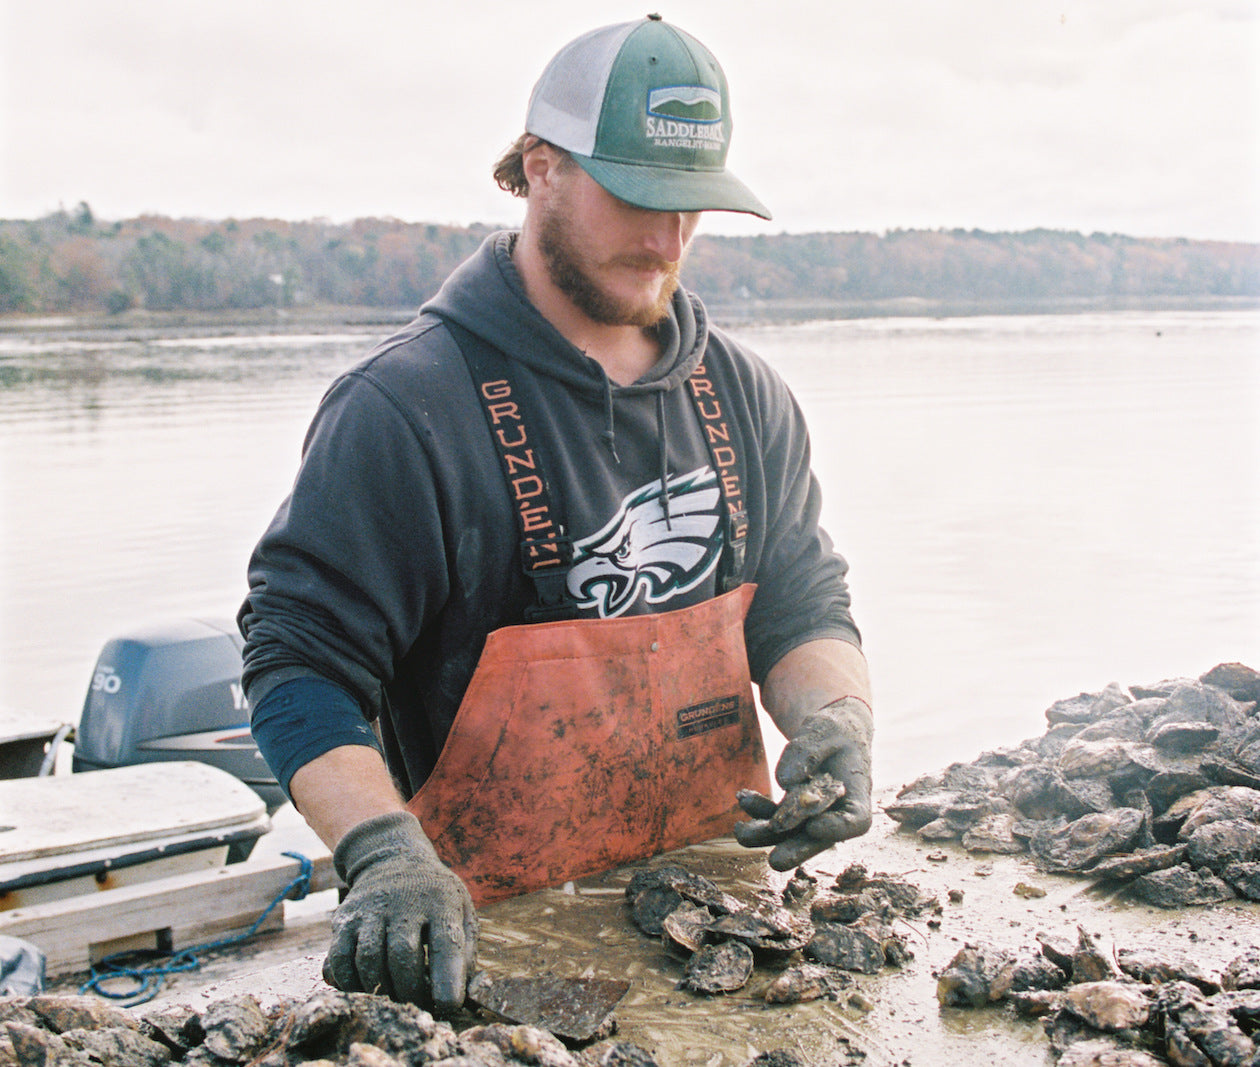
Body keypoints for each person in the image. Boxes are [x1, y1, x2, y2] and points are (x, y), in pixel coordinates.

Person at [238, 14, 873, 1013]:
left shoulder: (747, 397)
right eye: (636, 197)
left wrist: (836, 717)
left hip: (725, 936)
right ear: (541, 168)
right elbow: (297, 662)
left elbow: (801, 602)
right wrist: (384, 854)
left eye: (692, 206)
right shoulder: (403, 412)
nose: (667, 239)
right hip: (477, 951)